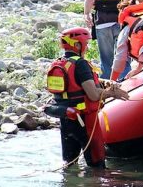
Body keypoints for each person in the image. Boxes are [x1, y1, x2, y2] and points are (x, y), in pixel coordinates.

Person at [45, 27, 129, 168]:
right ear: (77, 45)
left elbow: (74, 86)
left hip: (66, 119)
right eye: (86, 43)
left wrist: (104, 82)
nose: (87, 47)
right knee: (97, 166)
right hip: (85, 121)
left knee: (69, 164)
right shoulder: (81, 64)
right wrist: (112, 93)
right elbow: (94, 95)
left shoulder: (60, 63)